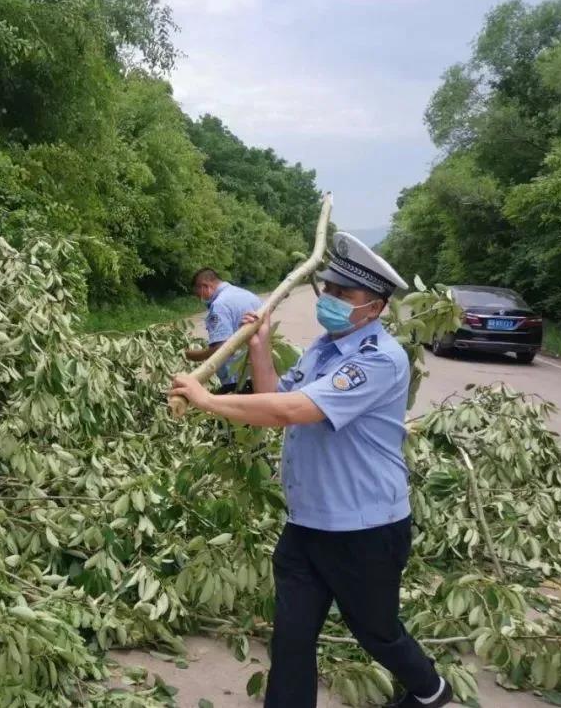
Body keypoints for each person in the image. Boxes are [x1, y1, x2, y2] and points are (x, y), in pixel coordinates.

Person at [169, 233, 452, 708]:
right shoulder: (322, 348)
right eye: (330, 290)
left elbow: (294, 411)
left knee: (376, 631)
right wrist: (260, 346)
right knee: (292, 637)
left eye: (345, 293)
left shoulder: (378, 359)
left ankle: (430, 691)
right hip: (307, 524)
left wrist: (207, 400)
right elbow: (275, 397)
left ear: (376, 308)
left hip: (364, 528)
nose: (332, 300)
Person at [185, 268, 262, 394]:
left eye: (199, 295)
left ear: (205, 286)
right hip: (260, 372)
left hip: (238, 380)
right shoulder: (249, 296)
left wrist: (192, 355)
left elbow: (221, 348)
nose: (200, 299)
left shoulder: (219, 305)